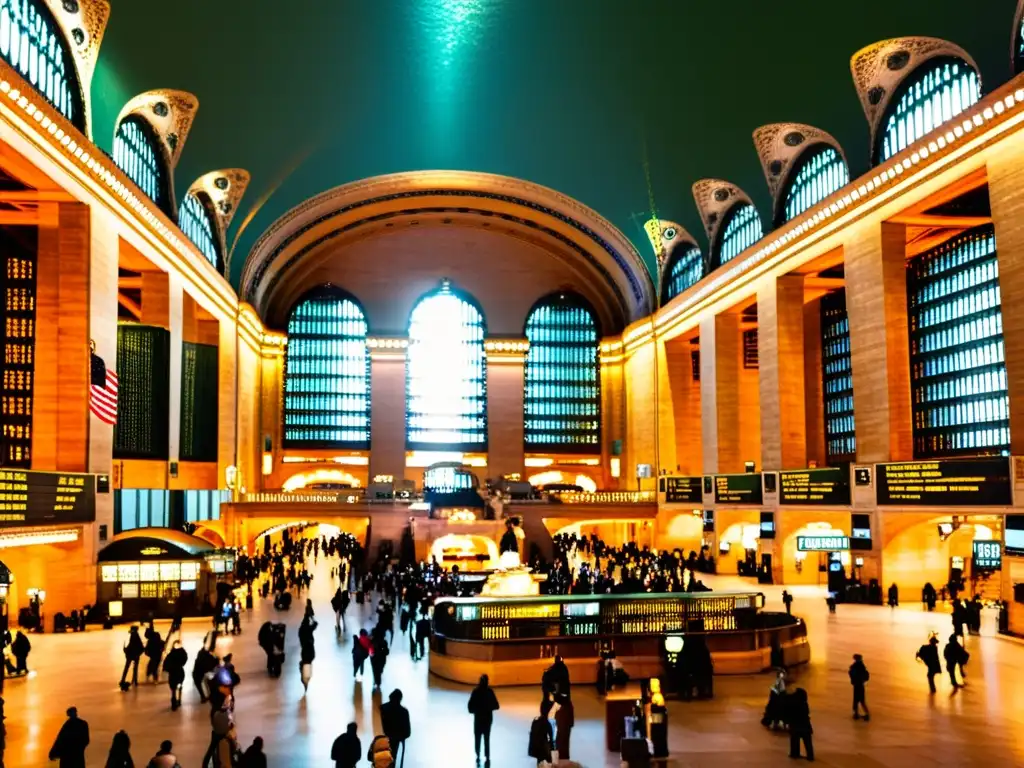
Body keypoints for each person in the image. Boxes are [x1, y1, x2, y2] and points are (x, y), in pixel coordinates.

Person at [468, 674, 500, 764]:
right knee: (487, 738)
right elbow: (497, 706)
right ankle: (487, 756)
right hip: (487, 720)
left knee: (477, 737)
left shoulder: (476, 692)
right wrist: (489, 707)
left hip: (478, 719)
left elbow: (470, 707)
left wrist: (476, 710)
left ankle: (478, 754)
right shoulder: (490, 692)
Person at [380, 688, 411, 766]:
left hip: (388, 736)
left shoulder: (383, 708)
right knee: (393, 757)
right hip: (397, 737)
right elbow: (407, 731)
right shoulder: (404, 712)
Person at [787, 688, 814, 761]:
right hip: (805, 725)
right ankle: (810, 755)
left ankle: (794, 753)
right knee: (807, 741)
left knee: (794, 739)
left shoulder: (793, 703)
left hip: (795, 725)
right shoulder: (804, 704)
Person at [162, 640, 188, 711]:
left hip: (173, 674)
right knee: (180, 686)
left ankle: (174, 702)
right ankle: (179, 700)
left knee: (173, 689)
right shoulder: (182, 653)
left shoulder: (171, 654)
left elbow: (166, 665)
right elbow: (185, 659)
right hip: (180, 673)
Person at [527, 700, 554, 767]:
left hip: (536, 749)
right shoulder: (547, 724)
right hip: (544, 750)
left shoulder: (535, 721)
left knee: (539, 763)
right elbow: (551, 740)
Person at [120, 625, 145, 690]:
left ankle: (131, 680)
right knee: (132, 668)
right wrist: (126, 649)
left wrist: (127, 650)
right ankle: (132, 681)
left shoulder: (135, 637)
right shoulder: (134, 636)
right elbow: (132, 646)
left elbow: (141, 648)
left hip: (133, 655)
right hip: (132, 655)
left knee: (129, 668)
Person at [298, 614, 317, 693]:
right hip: (310, 651)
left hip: (304, 651)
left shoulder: (301, 630)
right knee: (308, 664)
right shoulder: (308, 629)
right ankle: (305, 680)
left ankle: (304, 680)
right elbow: (315, 624)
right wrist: (312, 617)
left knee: (306, 663)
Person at [554, 692, 575, 762]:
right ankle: (564, 759)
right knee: (565, 743)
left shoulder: (562, 711)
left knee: (561, 743)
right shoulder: (568, 705)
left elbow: (557, 721)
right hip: (565, 727)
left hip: (563, 728)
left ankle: (562, 759)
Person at [849, 654, 870, 721]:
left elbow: (852, 673)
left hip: (858, 685)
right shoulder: (861, 666)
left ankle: (860, 714)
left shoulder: (857, 666)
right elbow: (866, 676)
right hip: (860, 685)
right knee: (860, 700)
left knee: (858, 700)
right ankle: (861, 714)